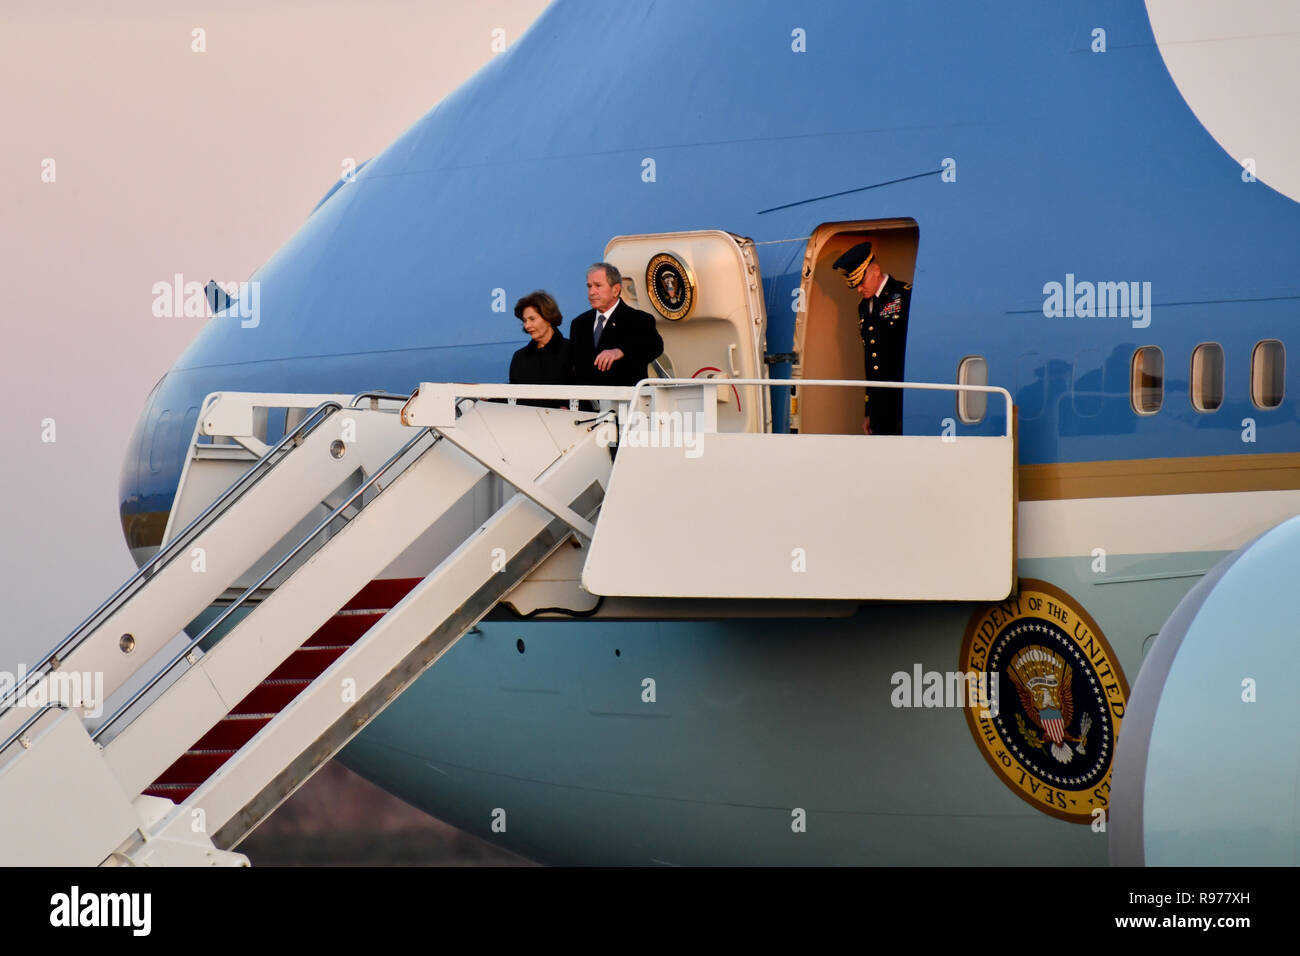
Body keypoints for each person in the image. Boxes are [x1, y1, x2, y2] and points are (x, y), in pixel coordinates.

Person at [832, 241, 911, 435]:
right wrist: (870, 412)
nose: (859, 289)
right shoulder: (863, 307)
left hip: (904, 400)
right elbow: (871, 363)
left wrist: (905, 411)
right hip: (879, 406)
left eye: (861, 282)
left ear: (875, 270)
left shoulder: (904, 296)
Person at [569, 262, 664, 390]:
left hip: (626, 404)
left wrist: (621, 351)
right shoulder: (579, 324)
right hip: (587, 407)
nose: (591, 292)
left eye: (598, 285)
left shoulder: (638, 319)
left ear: (615, 290)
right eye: (589, 286)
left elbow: (654, 346)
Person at [509, 291, 573, 408]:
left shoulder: (572, 351)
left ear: (548, 318)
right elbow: (513, 396)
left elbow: (587, 393)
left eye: (532, 319)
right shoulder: (520, 357)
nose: (527, 325)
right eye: (524, 320)